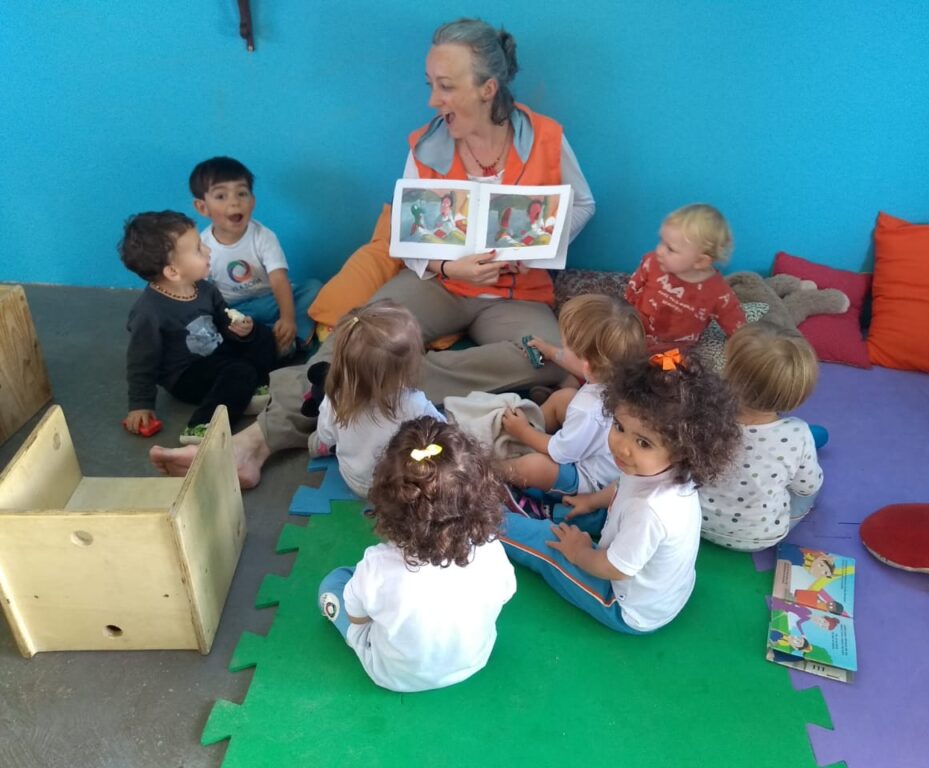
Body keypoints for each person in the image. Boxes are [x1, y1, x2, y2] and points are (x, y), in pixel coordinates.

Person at [151, 18, 596, 488]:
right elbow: (408, 238)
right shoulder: (426, 145)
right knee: (355, 334)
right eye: (431, 85)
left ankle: (384, 381)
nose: (433, 100)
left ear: (487, 89)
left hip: (516, 293)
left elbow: (583, 205)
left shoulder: (546, 137)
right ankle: (254, 443)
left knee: (553, 358)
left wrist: (536, 248)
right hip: (439, 282)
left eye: (446, 86)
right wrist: (449, 265)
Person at [499, 351, 741, 634]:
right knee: (588, 511)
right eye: (619, 426)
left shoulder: (651, 510)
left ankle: (487, 522)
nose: (622, 447)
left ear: (682, 451)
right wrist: (591, 501)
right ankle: (540, 509)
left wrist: (578, 553)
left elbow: (615, 569)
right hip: (660, 583)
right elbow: (620, 487)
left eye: (643, 443)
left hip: (625, 605)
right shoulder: (661, 469)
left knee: (548, 544)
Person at [317, 417, 516, 692]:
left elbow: (357, 618)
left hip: (394, 675)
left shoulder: (376, 566)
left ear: (387, 501)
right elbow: (504, 594)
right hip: (472, 659)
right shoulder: (492, 549)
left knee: (333, 583)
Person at [119, 211, 277, 444]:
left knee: (261, 333)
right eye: (198, 249)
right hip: (187, 375)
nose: (208, 250)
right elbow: (141, 360)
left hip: (217, 351)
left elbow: (223, 321)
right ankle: (203, 426)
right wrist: (140, 404)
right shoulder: (149, 312)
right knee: (239, 371)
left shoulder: (203, 288)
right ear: (173, 271)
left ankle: (254, 388)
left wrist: (241, 330)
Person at [497, 294, 644, 497]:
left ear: (587, 365)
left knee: (535, 466)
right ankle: (526, 432)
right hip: (591, 445)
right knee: (564, 396)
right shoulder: (623, 375)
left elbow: (561, 452)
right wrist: (551, 352)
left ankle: (489, 468)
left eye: (564, 346)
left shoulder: (587, 408)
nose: (561, 348)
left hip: (587, 479)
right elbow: (581, 367)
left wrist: (523, 431)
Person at [699, 323, 824, 552]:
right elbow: (808, 485)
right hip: (760, 537)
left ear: (729, 372)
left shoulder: (702, 416)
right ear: (797, 393)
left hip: (696, 523)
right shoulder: (798, 433)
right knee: (812, 491)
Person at [310, 300, 445, 497]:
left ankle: (318, 446)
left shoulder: (336, 397)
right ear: (405, 369)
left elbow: (326, 435)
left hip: (353, 479)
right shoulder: (415, 405)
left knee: (325, 436)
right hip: (395, 488)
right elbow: (443, 433)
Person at [190, 156, 322, 357]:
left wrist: (288, 318)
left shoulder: (263, 236)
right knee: (213, 322)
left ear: (252, 201)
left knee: (313, 288)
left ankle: (294, 338)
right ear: (202, 207)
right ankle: (264, 339)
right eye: (221, 196)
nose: (235, 202)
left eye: (242, 193)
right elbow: (202, 289)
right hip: (234, 309)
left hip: (270, 301)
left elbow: (279, 279)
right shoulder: (203, 245)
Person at [624, 203, 746, 352]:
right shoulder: (652, 262)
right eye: (661, 241)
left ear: (700, 261)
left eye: (670, 249)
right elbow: (632, 290)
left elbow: (737, 327)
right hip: (632, 331)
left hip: (673, 351)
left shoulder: (718, 293)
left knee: (676, 366)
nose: (659, 250)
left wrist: (745, 346)